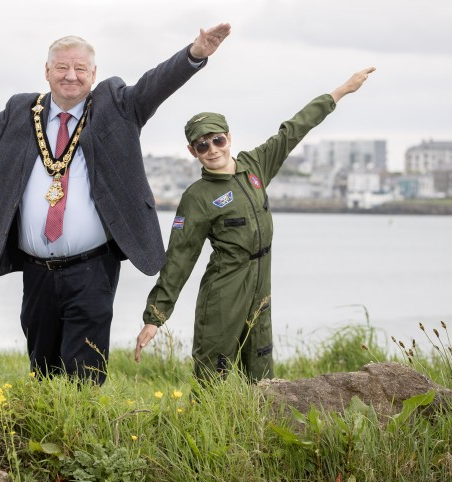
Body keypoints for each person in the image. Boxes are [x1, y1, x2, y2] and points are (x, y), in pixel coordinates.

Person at [0, 23, 232, 384]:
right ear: (47, 71)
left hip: (92, 267)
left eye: (80, 69)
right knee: (42, 369)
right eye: (62, 68)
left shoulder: (116, 106)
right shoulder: (21, 113)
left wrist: (194, 54)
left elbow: (155, 83)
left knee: (84, 373)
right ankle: (47, 436)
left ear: (93, 74)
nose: (71, 76)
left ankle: (83, 437)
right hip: (37, 271)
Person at [134, 66, 376, 381]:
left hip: (261, 283)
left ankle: (261, 427)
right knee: (213, 372)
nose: (213, 150)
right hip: (225, 291)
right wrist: (155, 316)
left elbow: (294, 129)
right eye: (203, 145)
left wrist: (341, 91)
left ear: (228, 138)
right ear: (192, 152)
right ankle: (206, 424)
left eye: (217, 140)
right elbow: (180, 258)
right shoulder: (197, 197)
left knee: (262, 373)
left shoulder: (255, 165)